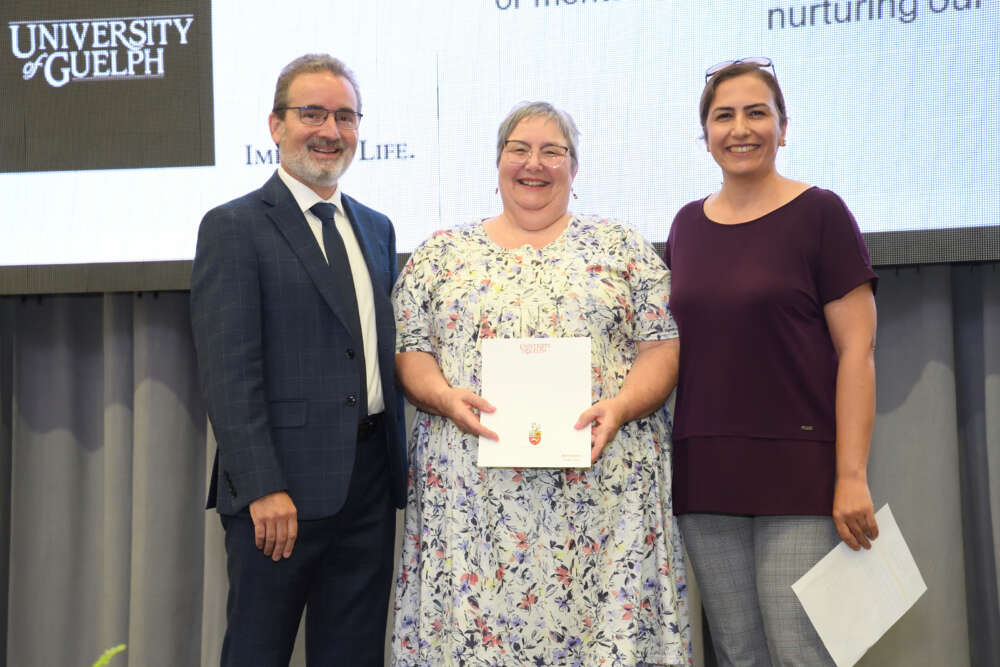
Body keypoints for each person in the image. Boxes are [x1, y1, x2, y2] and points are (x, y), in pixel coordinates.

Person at [390, 101, 690, 666]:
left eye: (553, 151)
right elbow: (412, 353)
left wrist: (622, 406)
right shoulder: (439, 255)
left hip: (606, 503)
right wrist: (443, 397)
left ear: (574, 167)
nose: (536, 164)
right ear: (498, 162)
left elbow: (660, 349)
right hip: (471, 511)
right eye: (519, 150)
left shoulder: (624, 251)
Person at [190, 53, 406, 666]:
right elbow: (229, 374)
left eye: (344, 116)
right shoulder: (233, 227)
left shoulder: (377, 228)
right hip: (278, 497)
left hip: (367, 488)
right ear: (275, 125)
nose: (330, 130)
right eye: (311, 113)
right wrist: (264, 487)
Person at [664, 58, 879, 666]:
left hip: (800, 474)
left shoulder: (822, 214)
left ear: (783, 128)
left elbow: (857, 353)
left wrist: (851, 475)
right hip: (706, 475)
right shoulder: (685, 226)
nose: (741, 128)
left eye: (757, 112)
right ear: (705, 134)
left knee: (798, 649)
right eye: (723, 115)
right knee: (737, 653)